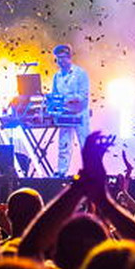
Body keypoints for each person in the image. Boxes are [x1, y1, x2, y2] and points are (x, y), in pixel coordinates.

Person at [52, 44, 91, 177]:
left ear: (69, 57)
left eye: (62, 58)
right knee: (64, 144)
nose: (60, 61)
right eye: (57, 59)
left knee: (85, 144)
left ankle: (90, 171)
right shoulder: (56, 77)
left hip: (80, 114)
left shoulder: (80, 73)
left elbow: (83, 95)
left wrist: (68, 99)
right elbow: (55, 95)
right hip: (64, 114)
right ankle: (61, 172)